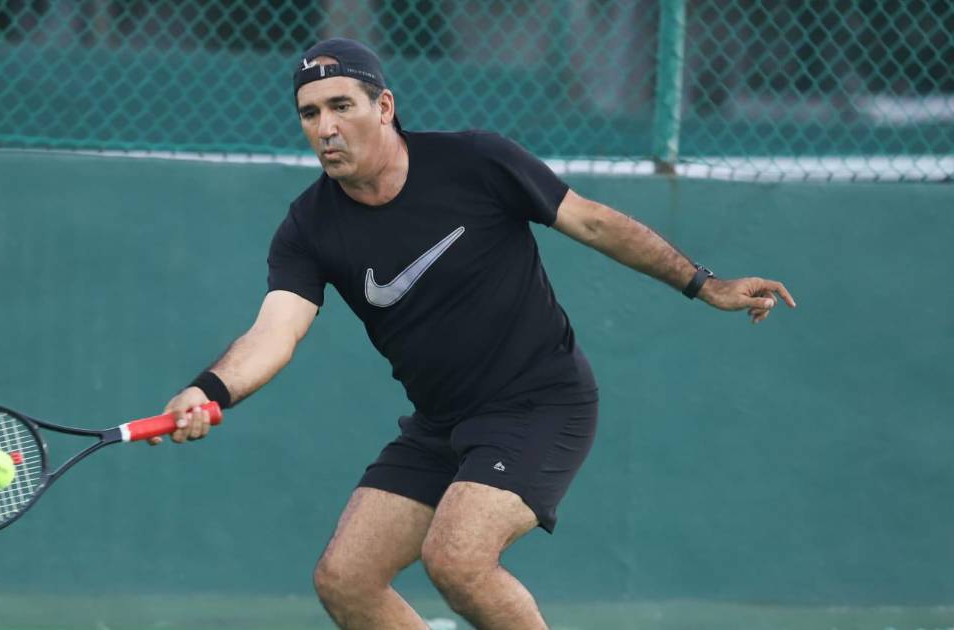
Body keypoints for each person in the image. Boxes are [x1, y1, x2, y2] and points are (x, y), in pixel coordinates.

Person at [151, 38, 796, 630]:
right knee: (347, 581)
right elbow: (275, 332)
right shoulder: (308, 226)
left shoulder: (476, 162)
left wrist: (705, 284)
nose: (325, 128)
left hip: (540, 404)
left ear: (383, 107)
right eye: (310, 113)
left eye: (341, 105)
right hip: (440, 424)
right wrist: (208, 390)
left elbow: (595, 223)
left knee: (457, 560)